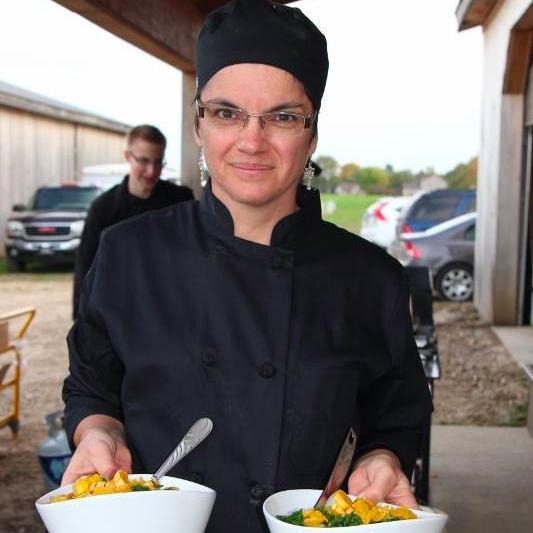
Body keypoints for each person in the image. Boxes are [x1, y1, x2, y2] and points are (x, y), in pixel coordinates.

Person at [62, 1, 433, 532]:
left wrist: (382, 458)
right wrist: (99, 432)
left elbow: (396, 416)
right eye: (227, 112)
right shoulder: (128, 254)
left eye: (282, 116)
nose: (251, 140)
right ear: (199, 125)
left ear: (312, 135)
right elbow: (92, 386)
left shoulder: (371, 279)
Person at [72, 124, 194, 318]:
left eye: (158, 162)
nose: (151, 171)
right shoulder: (103, 208)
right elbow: (85, 268)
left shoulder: (181, 200)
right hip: (120, 310)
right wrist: (81, 320)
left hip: (170, 310)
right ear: (127, 156)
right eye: (144, 161)